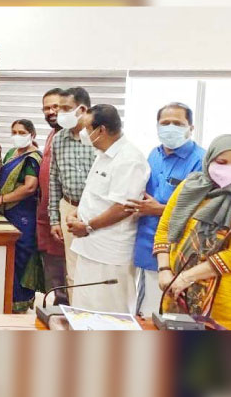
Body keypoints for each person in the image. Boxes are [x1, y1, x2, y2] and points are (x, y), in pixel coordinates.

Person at [155, 135, 231, 329]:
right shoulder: (189, 187)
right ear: (209, 160)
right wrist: (164, 270)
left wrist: (186, 277)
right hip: (177, 292)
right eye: (221, 162)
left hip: (223, 300)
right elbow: (165, 228)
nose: (227, 169)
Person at [65, 105, 150, 313]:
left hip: (110, 252)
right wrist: (76, 214)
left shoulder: (129, 159)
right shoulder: (102, 154)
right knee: (84, 308)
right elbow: (95, 194)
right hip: (89, 246)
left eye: (86, 128)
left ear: (101, 130)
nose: (83, 132)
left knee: (110, 313)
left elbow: (123, 207)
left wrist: (88, 226)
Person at [126, 103, 205, 317]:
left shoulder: (200, 161)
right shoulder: (154, 154)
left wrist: (158, 209)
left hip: (177, 249)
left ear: (191, 128)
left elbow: (201, 211)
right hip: (147, 242)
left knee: (171, 312)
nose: (170, 128)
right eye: (165, 123)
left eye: (177, 123)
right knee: (146, 309)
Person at [48, 87, 97, 291]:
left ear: (82, 110)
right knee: (73, 269)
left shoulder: (98, 137)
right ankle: (75, 308)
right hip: (68, 208)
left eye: (66, 108)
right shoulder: (58, 139)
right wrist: (54, 219)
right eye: (59, 108)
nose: (59, 113)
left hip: (96, 211)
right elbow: (53, 179)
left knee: (95, 268)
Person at [0, 120, 42, 313]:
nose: (17, 136)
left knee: (21, 256)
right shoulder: (12, 153)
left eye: (22, 132)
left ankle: (20, 303)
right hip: (7, 213)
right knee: (7, 257)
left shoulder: (32, 158)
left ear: (32, 135)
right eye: (14, 132)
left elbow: (29, 187)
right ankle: (6, 301)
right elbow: (0, 175)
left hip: (23, 213)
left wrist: (2, 199)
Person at [36, 88, 68, 304]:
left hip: (64, 215)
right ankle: (58, 304)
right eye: (46, 108)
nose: (50, 111)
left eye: (55, 106)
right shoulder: (51, 135)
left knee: (67, 271)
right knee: (52, 268)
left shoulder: (76, 137)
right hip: (46, 215)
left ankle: (66, 309)